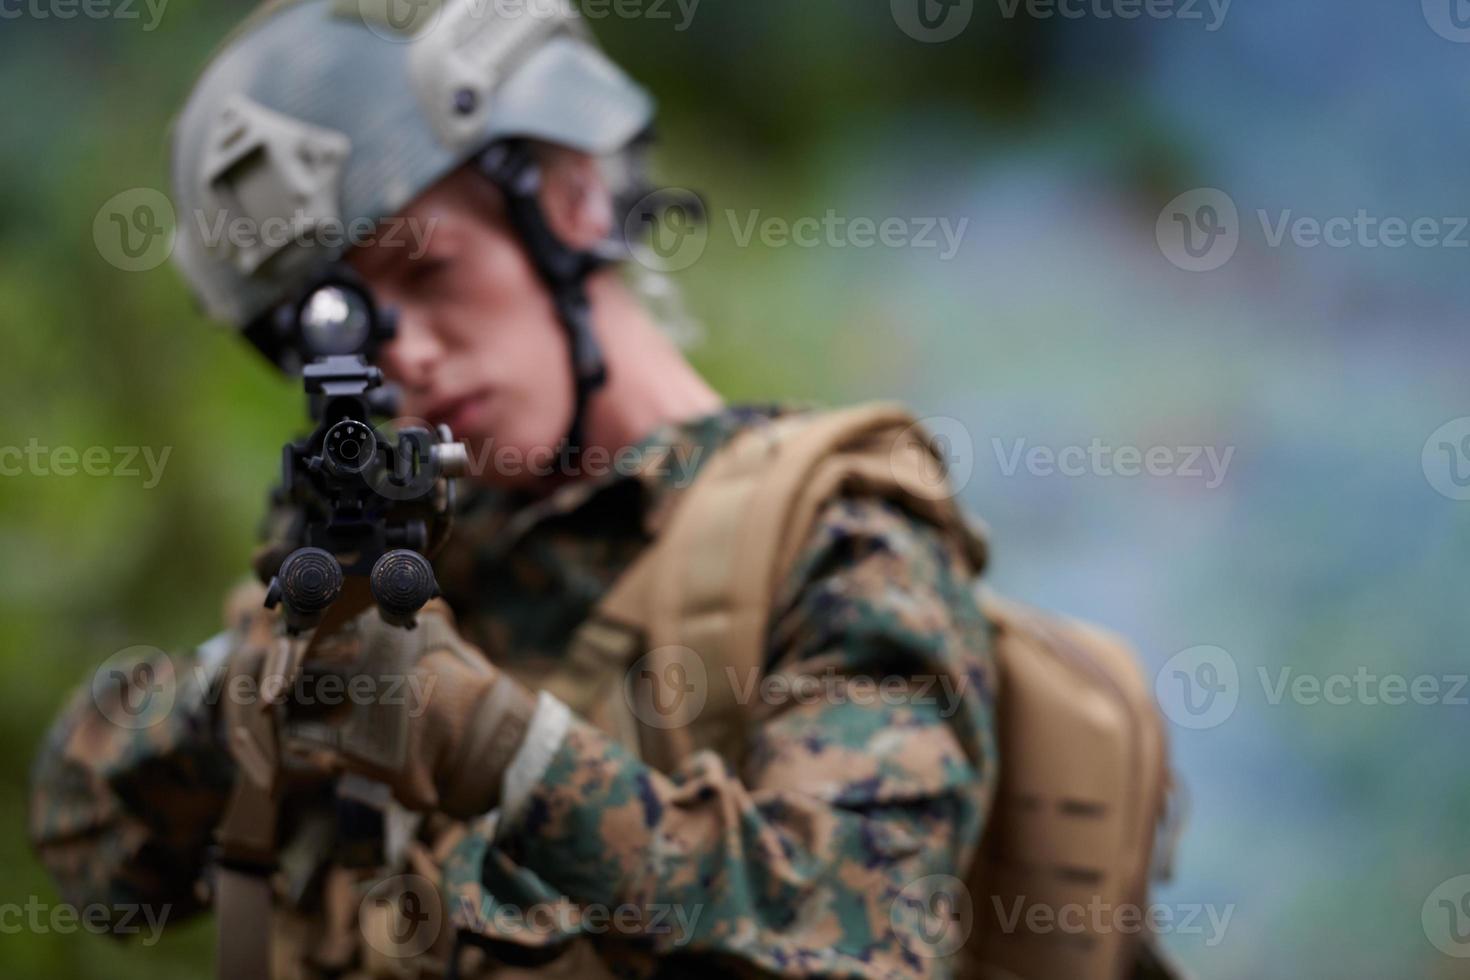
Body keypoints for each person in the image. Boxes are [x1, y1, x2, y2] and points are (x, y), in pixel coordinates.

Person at [31, 1, 1005, 977]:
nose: (402, 353)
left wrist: (495, 743)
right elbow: (94, 846)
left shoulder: (837, 533)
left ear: (574, 193)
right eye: (350, 322)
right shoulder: (414, 549)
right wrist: (253, 693)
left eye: (428, 268)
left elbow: (862, 936)